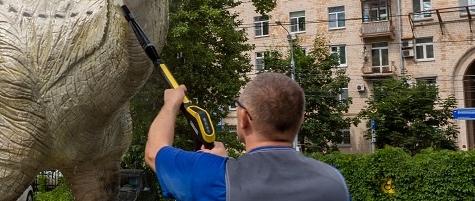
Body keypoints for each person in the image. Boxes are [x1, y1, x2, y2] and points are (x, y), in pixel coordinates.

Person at [145, 72, 350, 201]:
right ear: (301, 120)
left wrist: (171, 105)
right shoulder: (333, 182)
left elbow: (154, 152)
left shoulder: (213, 177)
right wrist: (224, 165)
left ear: (244, 118)